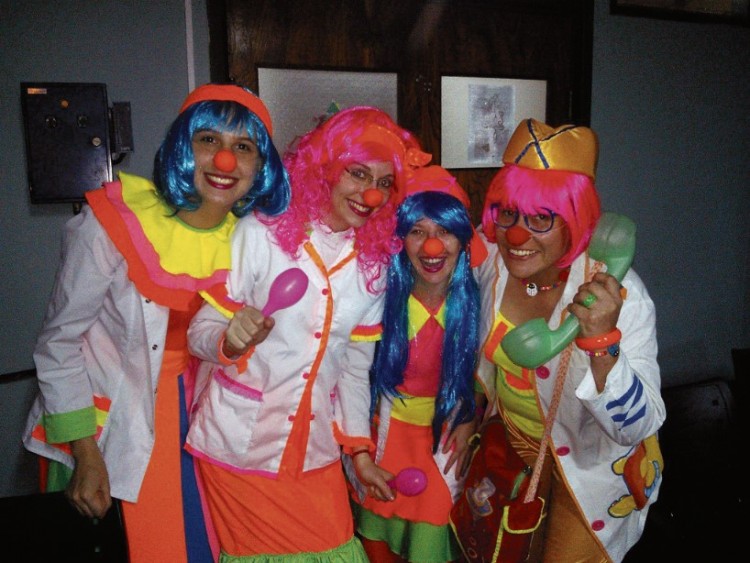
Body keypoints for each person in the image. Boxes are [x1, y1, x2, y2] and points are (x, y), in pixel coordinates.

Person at [22, 83, 291, 562]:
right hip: (106, 426)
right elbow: (58, 344)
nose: (224, 160)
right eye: (209, 139)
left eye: (244, 147)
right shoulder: (113, 222)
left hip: (200, 421)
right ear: (183, 145)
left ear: (261, 166)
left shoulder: (253, 243)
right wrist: (86, 451)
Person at [184, 106, 431, 562]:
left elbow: (353, 370)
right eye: (358, 174)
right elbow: (200, 330)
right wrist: (230, 338)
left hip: (315, 447)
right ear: (325, 169)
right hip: (240, 443)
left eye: (383, 183)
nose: (371, 195)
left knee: (338, 547)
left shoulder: (373, 264)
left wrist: (359, 453)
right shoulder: (260, 234)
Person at [474, 118, 666, 562]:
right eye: (508, 213)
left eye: (541, 218)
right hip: (512, 444)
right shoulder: (491, 265)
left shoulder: (621, 293)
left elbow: (636, 428)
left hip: (592, 466)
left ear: (576, 221)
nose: (516, 235)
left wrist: (602, 342)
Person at [346, 165, 488, 563]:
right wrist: (359, 448)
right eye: (417, 231)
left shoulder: (480, 299)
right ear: (400, 239)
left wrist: (471, 417)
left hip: (442, 437)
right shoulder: (377, 296)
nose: (432, 246)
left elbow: (489, 372)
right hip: (383, 433)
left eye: (444, 231)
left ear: (462, 240)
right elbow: (351, 372)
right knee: (377, 527)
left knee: (432, 529)